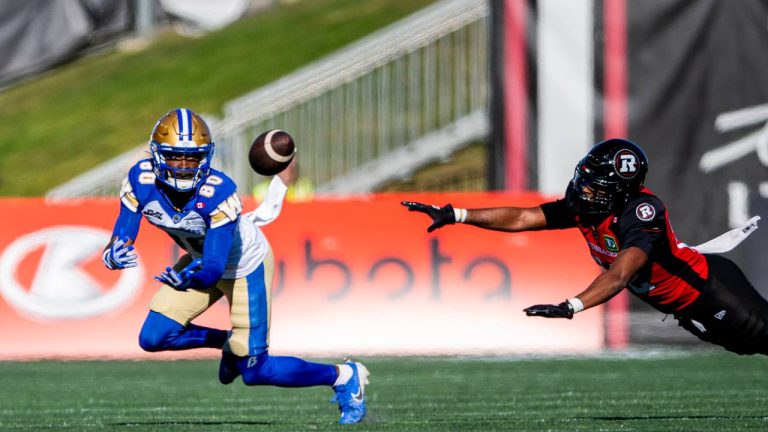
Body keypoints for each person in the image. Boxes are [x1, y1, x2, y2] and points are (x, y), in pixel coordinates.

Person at [102, 108, 369, 424]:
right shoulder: (140, 179)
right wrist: (113, 253)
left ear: (206, 156)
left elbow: (214, 267)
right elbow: (124, 231)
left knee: (256, 371)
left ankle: (343, 376)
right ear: (158, 155)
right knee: (154, 338)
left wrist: (190, 280)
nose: (184, 167)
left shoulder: (218, 192)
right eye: (175, 157)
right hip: (200, 261)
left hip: (243, 265)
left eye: (192, 158)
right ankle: (229, 344)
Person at [402, 138, 768, 355]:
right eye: (585, 178)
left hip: (713, 292)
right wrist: (457, 214)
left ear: (618, 191)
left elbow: (620, 274)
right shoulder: (586, 209)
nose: (584, 189)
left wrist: (571, 306)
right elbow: (523, 218)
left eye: (595, 185)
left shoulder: (640, 211)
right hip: (685, 307)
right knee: (748, 347)